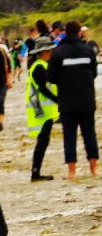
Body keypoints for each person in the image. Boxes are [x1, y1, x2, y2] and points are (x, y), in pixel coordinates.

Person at [48, 20, 99, 179]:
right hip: (87, 100)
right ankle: (94, 169)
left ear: (65, 33)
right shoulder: (88, 50)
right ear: (79, 33)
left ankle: (72, 172)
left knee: (69, 135)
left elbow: (51, 77)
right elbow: (95, 73)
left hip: (67, 101)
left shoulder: (58, 52)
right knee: (89, 133)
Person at [26, 42, 59, 181]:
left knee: (43, 142)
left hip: (44, 111)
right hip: (41, 111)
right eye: (50, 50)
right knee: (42, 142)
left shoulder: (40, 65)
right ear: (44, 52)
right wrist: (58, 99)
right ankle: (35, 173)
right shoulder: (39, 66)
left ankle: (36, 172)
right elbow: (43, 89)